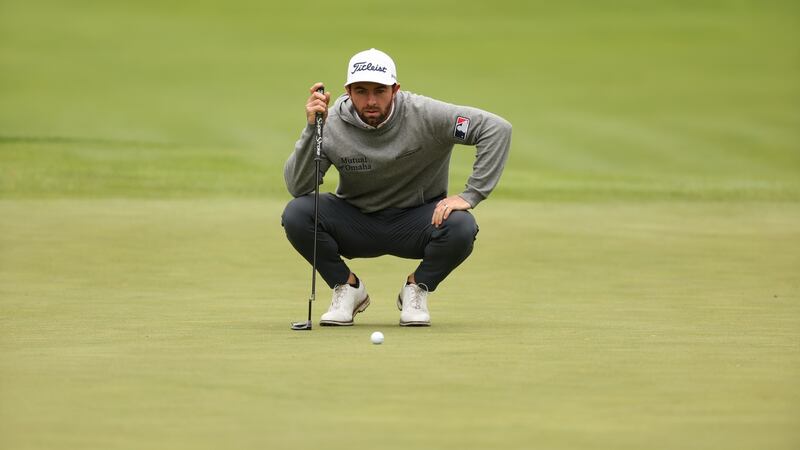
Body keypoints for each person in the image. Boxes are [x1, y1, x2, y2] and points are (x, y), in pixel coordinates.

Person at [281, 48, 512, 327]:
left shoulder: (426, 115)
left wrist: (471, 194)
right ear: (348, 91)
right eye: (361, 91)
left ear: (395, 89)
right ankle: (347, 288)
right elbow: (298, 185)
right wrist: (311, 130)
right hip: (356, 222)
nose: (370, 101)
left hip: (417, 223)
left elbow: (496, 129)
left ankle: (417, 287)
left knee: (462, 226)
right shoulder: (330, 124)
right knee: (297, 213)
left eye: (380, 91)